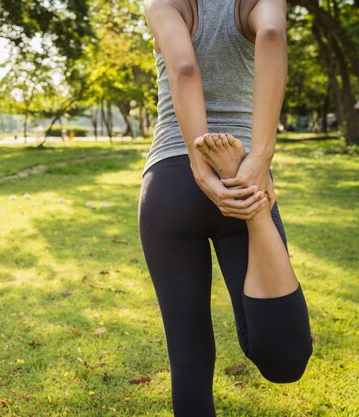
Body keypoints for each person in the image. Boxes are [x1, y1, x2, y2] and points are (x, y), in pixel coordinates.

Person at [138, 0, 313, 416]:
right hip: (244, 180)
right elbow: (272, 35)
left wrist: (201, 169)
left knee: (188, 353)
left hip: (170, 182)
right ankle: (255, 212)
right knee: (284, 360)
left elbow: (184, 69)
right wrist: (258, 161)